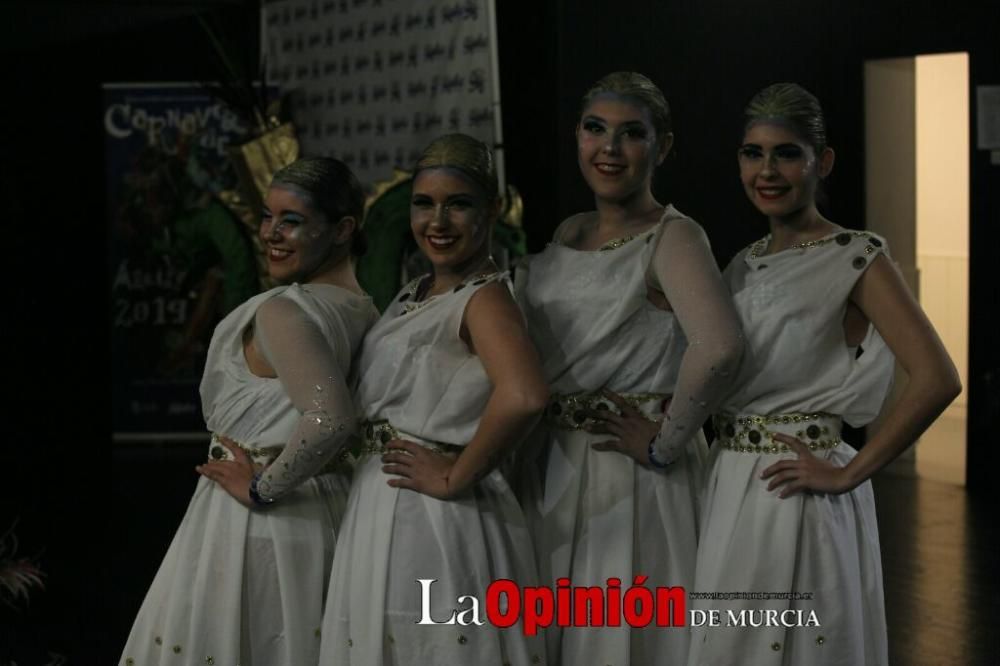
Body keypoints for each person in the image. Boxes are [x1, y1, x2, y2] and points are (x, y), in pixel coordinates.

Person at [684, 83, 961, 666]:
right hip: (730, 486)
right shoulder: (743, 263)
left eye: (786, 152)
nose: (767, 170)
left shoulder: (855, 256)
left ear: (822, 161)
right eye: (752, 153)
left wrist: (851, 473)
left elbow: (937, 376)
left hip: (796, 491)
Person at [514, 71, 744, 665]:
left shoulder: (673, 236)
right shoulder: (572, 231)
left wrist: (666, 443)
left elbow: (719, 347)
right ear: (577, 137)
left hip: (626, 474)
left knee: (620, 637)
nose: (609, 149)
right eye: (595, 129)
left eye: (631, 134)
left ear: (662, 147)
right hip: (556, 462)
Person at [120, 157, 379, 666]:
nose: (271, 234)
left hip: (258, 522)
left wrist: (261, 487)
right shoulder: (364, 309)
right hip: (325, 511)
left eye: (292, 221)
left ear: (344, 229)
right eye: (267, 216)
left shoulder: (285, 310)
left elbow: (330, 418)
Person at [319, 133, 549, 665]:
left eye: (458, 204)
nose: (437, 222)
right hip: (387, 503)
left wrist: (454, 474)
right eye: (424, 204)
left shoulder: (483, 296)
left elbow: (525, 394)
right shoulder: (416, 290)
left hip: (433, 517)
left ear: (492, 209)